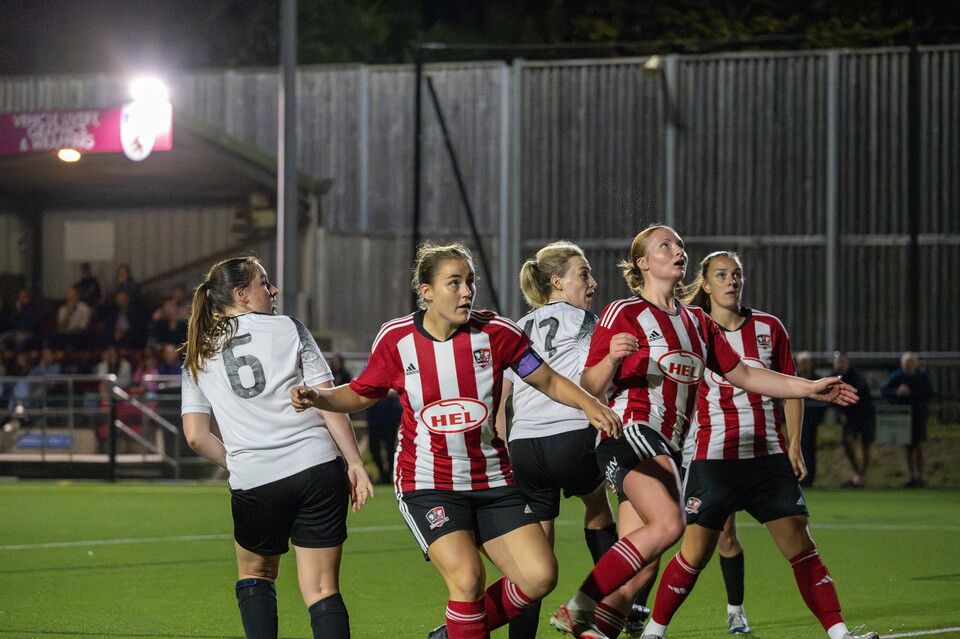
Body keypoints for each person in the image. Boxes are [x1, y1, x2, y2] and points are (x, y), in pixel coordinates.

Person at [291, 242, 622, 639]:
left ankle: (452, 633)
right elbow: (362, 393)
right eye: (454, 283)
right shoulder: (397, 338)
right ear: (427, 291)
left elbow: (547, 379)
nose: (467, 291)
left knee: (539, 576)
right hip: (428, 482)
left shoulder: (497, 333)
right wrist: (320, 396)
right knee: (467, 578)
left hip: (492, 481)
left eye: (470, 281)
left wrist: (588, 404)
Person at [548, 225, 863, 639]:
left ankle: (594, 628)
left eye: (680, 245)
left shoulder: (698, 322)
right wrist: (610, 359)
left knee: (640, 569)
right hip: (632, 432)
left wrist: (809, 388)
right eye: (666, 246)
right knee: (671, 524)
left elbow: (745, 374)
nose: (678, 250)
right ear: (643, 263)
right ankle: (580, 605)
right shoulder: (623, 312)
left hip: (666, 446)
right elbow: (589, 387)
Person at [637, 250, 880, 639]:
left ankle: (839, 633)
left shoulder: (769, 327)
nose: (731, 281)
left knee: (800, 545)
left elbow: (790, 387)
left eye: (736, 274)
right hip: (713, 458)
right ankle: (654, 631)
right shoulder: (691, 328)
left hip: (767, 458)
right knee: (695, 554)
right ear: (705, 284)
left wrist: (794, 445)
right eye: (721, 275)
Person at [180, 256, 373, 639]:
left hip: (256, 478)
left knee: (256, 575)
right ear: (241, 294)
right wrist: (354, 461)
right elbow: (327, 399)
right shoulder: (290, 327)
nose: (274, 290)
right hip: (318, 467)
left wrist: (238, 461)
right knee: (323, 589)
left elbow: (195, 436)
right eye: (264, 283)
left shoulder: (198, 351)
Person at [485, 241, 622, 639]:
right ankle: (609, 607)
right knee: (598, 506)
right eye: (584, 274)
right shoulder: (588, 322)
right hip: (573, 437)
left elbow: (499, 400)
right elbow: (595, 382)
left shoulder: (517, 327)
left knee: (534, 560)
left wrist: (502, 451)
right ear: (558, 281)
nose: (593, 283)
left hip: (525, 446)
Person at [881, 352, 936, 488]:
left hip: (919, 414)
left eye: (911, 363)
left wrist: (913, 393)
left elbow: (930, 392)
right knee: (908, 446)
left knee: (918, 445)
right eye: (906, 363)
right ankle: (911, 476)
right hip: (904, 414)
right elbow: (884, 390)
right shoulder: (897, 376)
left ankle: (921, 476)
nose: (909, 366)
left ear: (916, 363)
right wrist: (896, 391)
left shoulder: (922, 376)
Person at [832, 352, 876, 488]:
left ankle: (862, 474)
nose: (840, 365)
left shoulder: (857, 376)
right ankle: (858, 473)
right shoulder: (832, 377)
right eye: (838, 362)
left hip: (865, 414)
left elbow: (857, 390)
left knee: (866, 445)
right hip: (850, 417)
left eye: (842, 362)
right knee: (847, 441)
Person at [796, 351, 827, 487]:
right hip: (797, 419)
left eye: (806, 363)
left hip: (811, 419)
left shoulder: (816, 380)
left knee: (810, 448)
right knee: (799, 448)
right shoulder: (794, 378)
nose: (804, 366)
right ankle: (799, 476)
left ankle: (809, 478)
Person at [365, 388, 401, 484]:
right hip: (375, 416)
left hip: (390, 415)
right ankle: (383, 474)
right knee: (374, 448)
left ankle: (389, 474)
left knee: (390, 448)